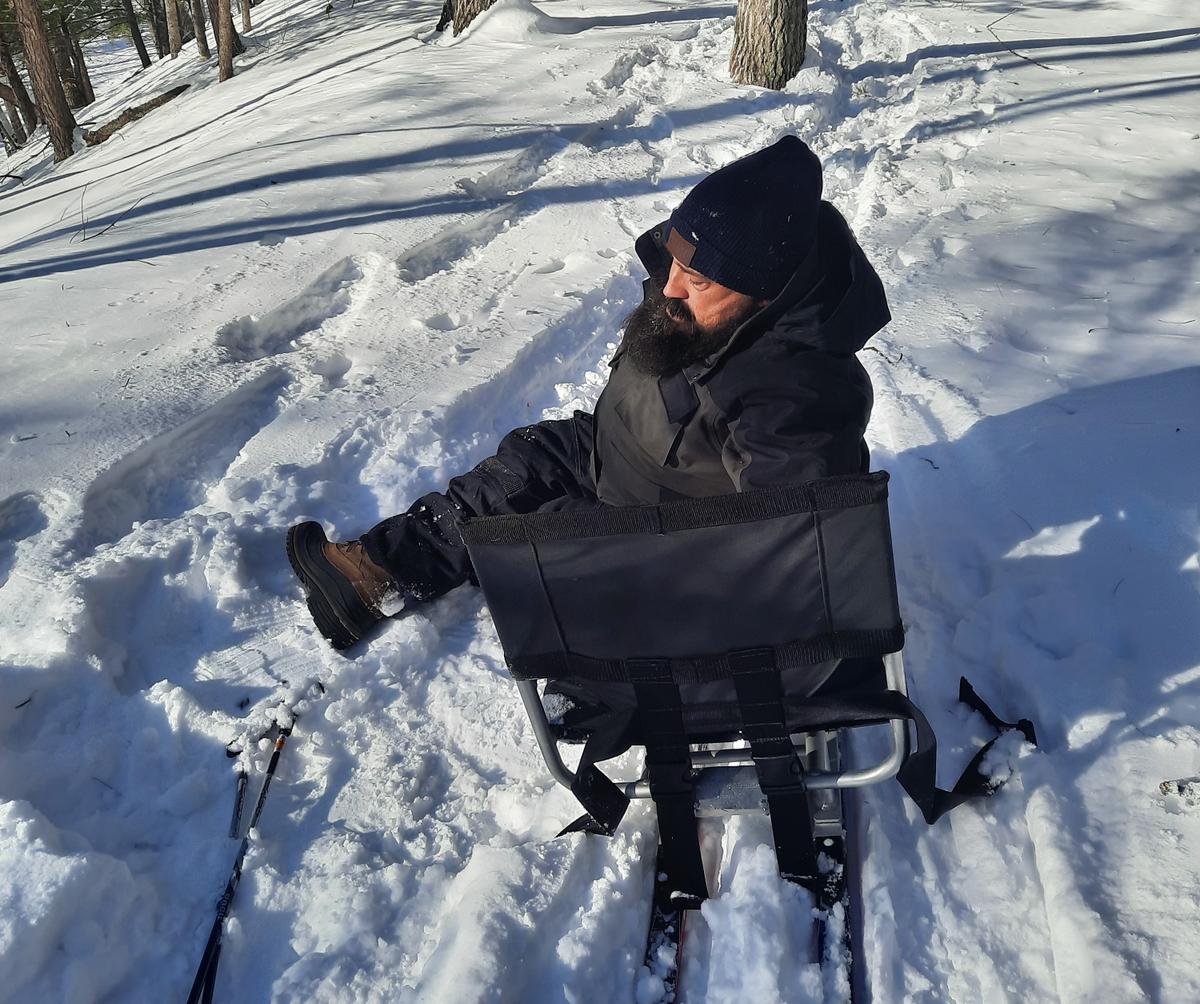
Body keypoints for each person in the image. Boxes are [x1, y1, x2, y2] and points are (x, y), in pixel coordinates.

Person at [286, 135, 892, 650]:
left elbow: (785, 562)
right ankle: (372, 577)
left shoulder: (795, 399)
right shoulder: (709, 303)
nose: (669, 290)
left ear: (766, 294)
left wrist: (615, 551)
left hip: (669, 531)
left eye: (698, 280)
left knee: (538, 536)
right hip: (617, 453)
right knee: (518, 466)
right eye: (675, 265)